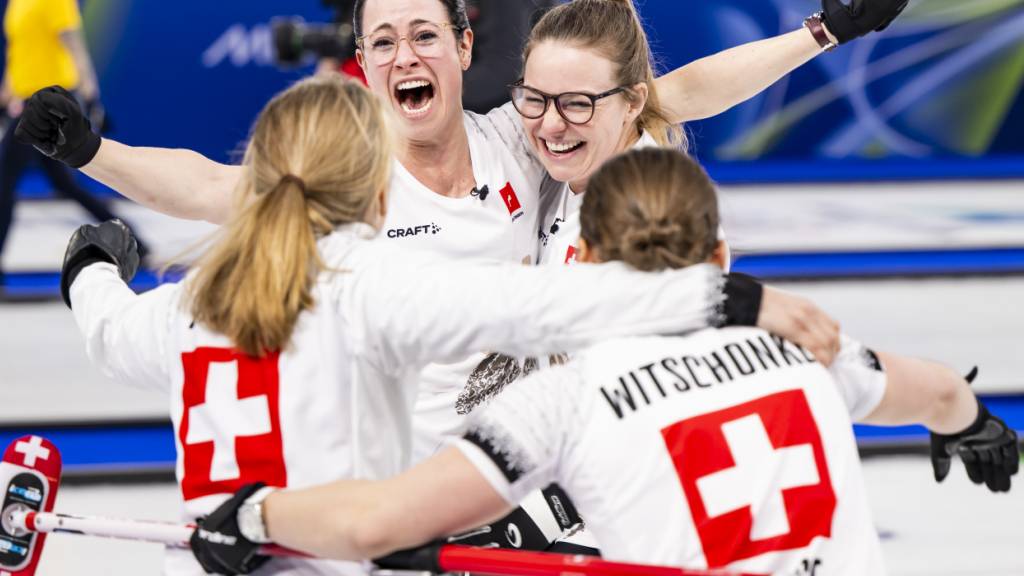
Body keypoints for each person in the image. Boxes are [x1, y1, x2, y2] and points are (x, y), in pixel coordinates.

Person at [13, 0, 876, 461]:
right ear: (362, 62)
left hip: (541, 473)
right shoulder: (349, 180)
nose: (404, 56)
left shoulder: (521, 135)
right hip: (414, 495)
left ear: (464, 48)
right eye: (381, 41)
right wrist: (93, 150)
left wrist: (822, 30)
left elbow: (669, 93)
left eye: (424, 34)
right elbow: (210, 187)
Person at [60, 76, 809, 575]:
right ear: (374, 191)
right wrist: (711, 302)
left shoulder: (194, 304)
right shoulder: (371, 290)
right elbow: (532, 308)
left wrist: (90, 264)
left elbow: (109, 330)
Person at [192, 148, 1020, 575]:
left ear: (581, 262)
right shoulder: (802, 346)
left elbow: (376, 524)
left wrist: (254, 515)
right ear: (722, 254)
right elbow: (940, 391)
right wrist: (973, 424)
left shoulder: (561, 398)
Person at [0, 0, 145, 289]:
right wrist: (7, 95)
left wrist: (91, 97)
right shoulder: (17, 3)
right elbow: (19, 52)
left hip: (52, 101)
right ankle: (135, 239)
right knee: (63, 183)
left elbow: (75, 47)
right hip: (28, 100)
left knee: (4, 180)